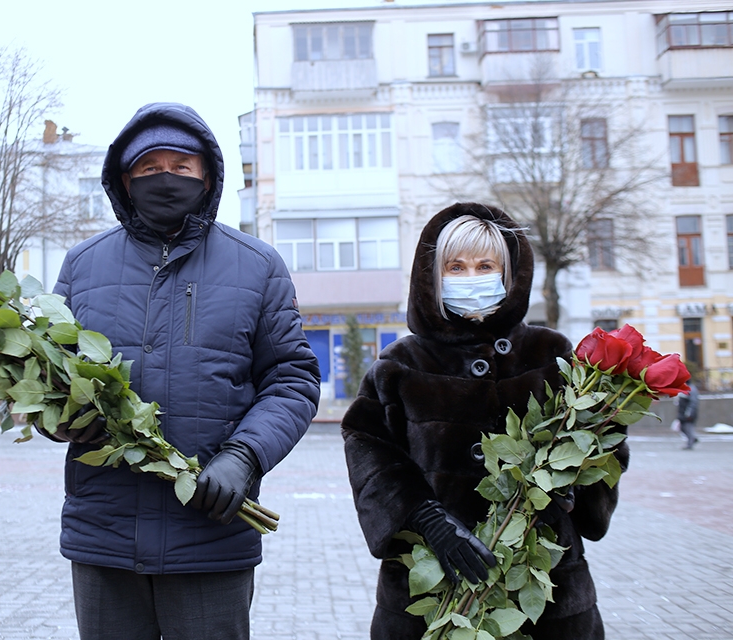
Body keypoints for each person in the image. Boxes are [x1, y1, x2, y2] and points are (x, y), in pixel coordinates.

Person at [47, 102, 321, 640]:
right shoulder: (82, 266)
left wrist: (245, 457)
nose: (164, 178)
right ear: (124, 181)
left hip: (210, 533)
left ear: (208, 175)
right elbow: (48, 372)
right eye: (148, 169)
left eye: (180, 166)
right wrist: (59, 418)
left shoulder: (258, 265)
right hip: (105, 535)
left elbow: (292, 379)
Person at [341, 203, 628, 639]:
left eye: (485, 265)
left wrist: (577, 479)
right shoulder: (399, 365)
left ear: (508, 274)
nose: (471, 275)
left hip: (546, 590)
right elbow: (367, 447)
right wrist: (426, 518)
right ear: (434, 276)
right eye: (456, 266)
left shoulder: (552, 355)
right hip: (432, 585)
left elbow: (605, 440)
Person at [677, 382, 699, 449]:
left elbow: (693, 403)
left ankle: (690, 444)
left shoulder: (691, 389)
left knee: (688, 428)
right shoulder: (683, 388)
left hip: (687, 413)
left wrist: (689, 413)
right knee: (682, 428)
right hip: (682, 412)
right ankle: (693, 438)